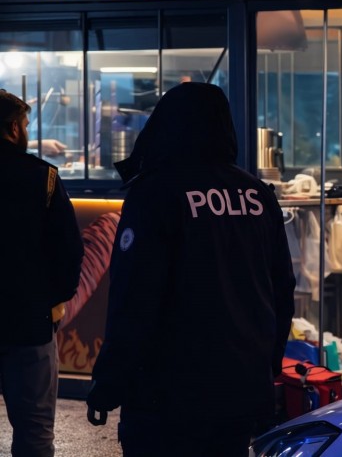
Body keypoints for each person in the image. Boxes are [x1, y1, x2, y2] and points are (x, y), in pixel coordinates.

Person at [86, 83, 296, 456]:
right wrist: (269, 364)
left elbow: (134, 298)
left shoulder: (155, 193)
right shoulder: (257, 194)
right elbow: (282, 288)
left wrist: (109, 381)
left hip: (168, 393)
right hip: (241, 385)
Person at [0, 89, 84, 457]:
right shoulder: (42, 177)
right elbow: (69, 250)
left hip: (29, 318)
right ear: (14, 129)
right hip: (29, 323)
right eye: (25, 125)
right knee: (34, 432)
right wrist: (54, 303)